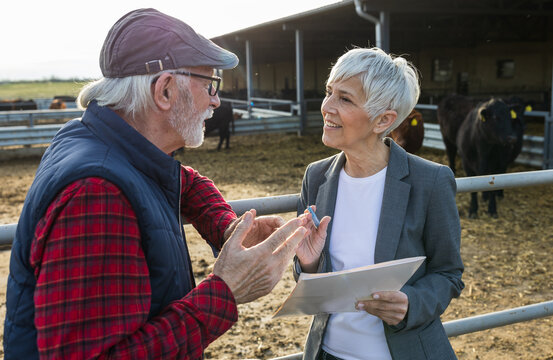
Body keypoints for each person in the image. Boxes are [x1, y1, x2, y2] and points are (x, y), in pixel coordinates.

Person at [4, 8, 310, 360]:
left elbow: (184, 181)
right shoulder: (97, 193)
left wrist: (228, 228)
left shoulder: (104, 143)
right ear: (164, 90)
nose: (216, 100)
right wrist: (224, 291)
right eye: (209, 85)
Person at [294, 48, 465, 360]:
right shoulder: (316, 177)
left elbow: (448, 273)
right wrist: (308, 263)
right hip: (328, 352)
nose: (326, 107)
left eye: (344, 99)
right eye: (329, 92)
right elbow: (308, 283)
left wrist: (411, 303)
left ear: (382, 120)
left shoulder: (430, 182)